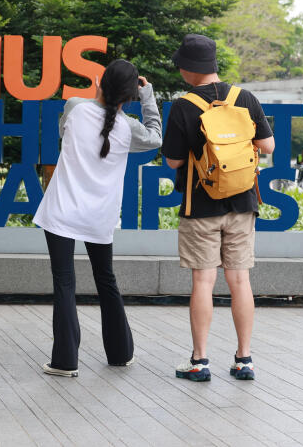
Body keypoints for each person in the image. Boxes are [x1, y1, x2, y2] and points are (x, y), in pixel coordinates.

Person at [33, 59, 162, 378]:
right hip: (99, 219)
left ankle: (64, 361)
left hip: (61, 212)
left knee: (64, 282)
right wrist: (148, 98)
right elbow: (155, 137)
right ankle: (120, 354)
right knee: (106, 281)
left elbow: (64, 129)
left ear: (100, 83)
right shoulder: (128, 128)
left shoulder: (75, 107)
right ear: (130, 95)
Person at [162, 34, 274, 382]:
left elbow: (173, 162)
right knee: (240, 280)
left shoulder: (184, 106)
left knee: (203, 282)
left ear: (189, 68)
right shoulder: (244, 98)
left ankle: (200, 361)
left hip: (201, 206)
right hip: (242, 204)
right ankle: (244, 360)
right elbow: (267, 146)